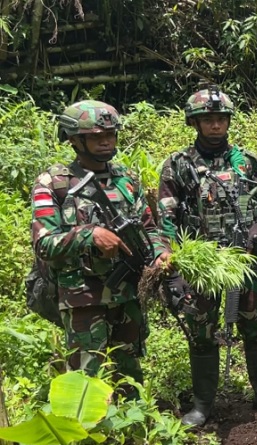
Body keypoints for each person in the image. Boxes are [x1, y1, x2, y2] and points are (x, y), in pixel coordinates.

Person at [158, 87, 257, 426]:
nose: (215, 125)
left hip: (242, 258)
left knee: (254, 324)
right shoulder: (179, 164)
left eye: (221, 118)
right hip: (201, 266)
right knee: (202, 330)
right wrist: (172, 266)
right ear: (195, 123)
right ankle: (203, 405)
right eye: (208, 120)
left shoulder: (246, 160)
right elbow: (166, 217)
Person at [31, 100, 170, 397]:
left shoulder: (126, 179)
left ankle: (132, 434)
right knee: (85, 379)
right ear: (74, 140)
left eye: (111, 134)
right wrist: (89, 235)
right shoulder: (54, 183)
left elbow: (149, 228)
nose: (106, 141)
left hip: (128, 293)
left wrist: (160, 252)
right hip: (83, 296)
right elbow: (44, 243)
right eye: (96, 136)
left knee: (129, 373)